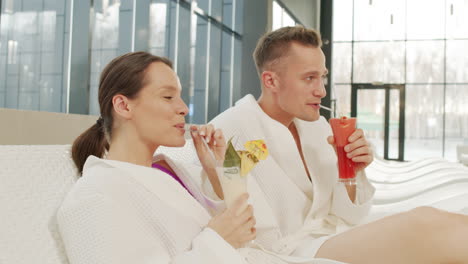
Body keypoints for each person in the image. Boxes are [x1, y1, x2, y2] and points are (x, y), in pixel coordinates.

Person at [209, 26, 468, 263]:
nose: (321, 90)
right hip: (289, 251)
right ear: (271, 81)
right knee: (423, 224)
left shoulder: (318, 128)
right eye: (309, 78)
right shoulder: (229, 132)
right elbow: (241, 221)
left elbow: (349, 215)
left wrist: (351, 170)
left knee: (435, 220)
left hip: (333, 235)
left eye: (322, 77)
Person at [57, 52, 259, 264]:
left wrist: (219, 169)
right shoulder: (94, 196)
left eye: (180, 97)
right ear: (124, 106)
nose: (183, 108)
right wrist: (218, 243)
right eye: (168, 97)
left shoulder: (175, 171)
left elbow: (252, 230)